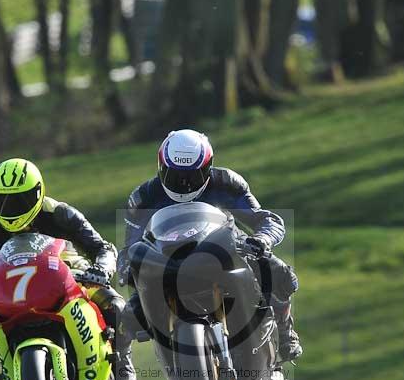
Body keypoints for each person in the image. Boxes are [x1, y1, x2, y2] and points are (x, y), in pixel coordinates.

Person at [118, 129, 302, 362]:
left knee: (282, 274)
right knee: (128, 313)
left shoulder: (227, 183)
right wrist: (127, 269)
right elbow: (130, 246)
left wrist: (262, 240)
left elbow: (265, 219)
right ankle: (122, 362)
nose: (184, 185)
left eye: (191, 177)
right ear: (161, 167)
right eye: (175, 176)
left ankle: (285, 333)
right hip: (168, 257)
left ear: (207, 168)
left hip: (223, 245)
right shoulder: (143, 198)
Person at [0, 158, 137, 380]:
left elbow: (102, 248)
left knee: (116, 306)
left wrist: (102, 269)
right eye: (1, 201)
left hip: (71, 279)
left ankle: (122, 360)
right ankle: (19, 379)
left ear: (38, 193)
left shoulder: (61, 213)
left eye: (19, 200)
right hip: (16, 293)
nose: (10, 210)